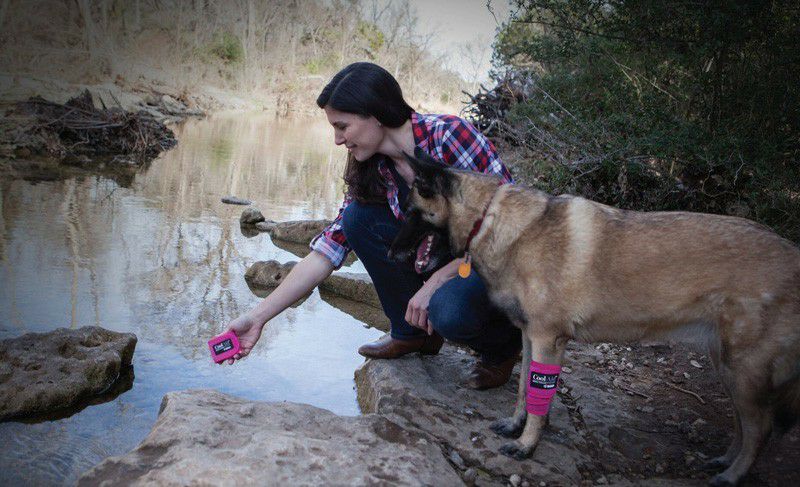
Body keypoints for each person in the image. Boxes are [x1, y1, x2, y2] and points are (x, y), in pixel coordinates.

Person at [221, 62, 521, 389]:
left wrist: (436, 282)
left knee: (449, 312)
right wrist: (258, 317)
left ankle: (502, 350)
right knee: (357, 220)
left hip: (491, 262)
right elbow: (327, 251)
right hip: (440, 258)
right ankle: (411, 334)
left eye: (342, 126)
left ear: (375, 114)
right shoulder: (373, 166)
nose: (337, 140)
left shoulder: (448, 136)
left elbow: (511, 227)